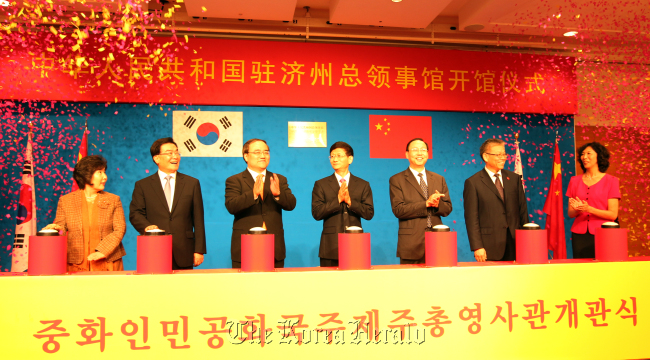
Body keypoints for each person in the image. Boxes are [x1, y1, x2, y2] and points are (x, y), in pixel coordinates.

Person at [129, 138, 206, 270]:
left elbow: (198, 219)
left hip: (184, 249)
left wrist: (199, 250)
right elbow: (135, 213)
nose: (175, 156)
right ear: (156, 158)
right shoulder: (143, 185)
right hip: (154, 248)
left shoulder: (191, 183)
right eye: (169, 153)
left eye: (177, 152)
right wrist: (148, 227)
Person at [43, 155, 126, 271]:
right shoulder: (66, 201)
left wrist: (103, 251)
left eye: (104, 172)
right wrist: (54, 230)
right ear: (86, 175)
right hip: (76, 265)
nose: (105, 177)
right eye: (99, 172)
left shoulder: (114, 200)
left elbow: (120, 229)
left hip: (108, 262)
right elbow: (61, 228)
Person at [225, 139, 296, 268]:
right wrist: (253, 194)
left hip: (274, 245)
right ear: (246, 156)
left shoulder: (278, 179)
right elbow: (231, 206)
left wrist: (278, 194)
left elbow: (291, 204)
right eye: (257, 152)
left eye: (266, 152)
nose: (263, 156)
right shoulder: (234, 180)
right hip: (245, 245)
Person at [463, 138, 528, 262]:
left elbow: (523, 211)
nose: (503, 157)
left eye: (504, 154)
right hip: (489, 245)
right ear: (486, 157)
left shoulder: (514, 179)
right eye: (498, 154)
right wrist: (477, 246)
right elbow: (472, 218)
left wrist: (526, 240)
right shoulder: (473, 183)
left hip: (516, 243)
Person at [389, 138, 452, 264]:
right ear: (407, 154)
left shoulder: (439, 179)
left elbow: (447, 209)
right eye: (415, 150)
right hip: (411, 243)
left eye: (423, 150)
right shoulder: (397, 180)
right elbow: (399, 210)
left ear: (428, 154)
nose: (420, 153)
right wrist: (426, 204)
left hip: (438, 240)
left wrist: (437, 204)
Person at [312, 141, 374, 267]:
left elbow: (369, 213)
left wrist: (351, 202)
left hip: (355, 243)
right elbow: (317, 213)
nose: (335, 159)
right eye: (332, 156)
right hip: (330, 246)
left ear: (350, 159)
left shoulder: (363, 184)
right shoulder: (321, 184)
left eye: (339, 155)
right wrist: (337, 200)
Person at [567, 142, 620, 259]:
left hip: (604, 234)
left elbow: (613, 215)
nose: (584, 157)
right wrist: (578, 210)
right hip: (579, 234)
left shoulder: (612, 181)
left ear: (599, 156)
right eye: (582, 154)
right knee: (582, 271)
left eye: (588, 153)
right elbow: (570, 213)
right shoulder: (574, 181)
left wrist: (589, 209)